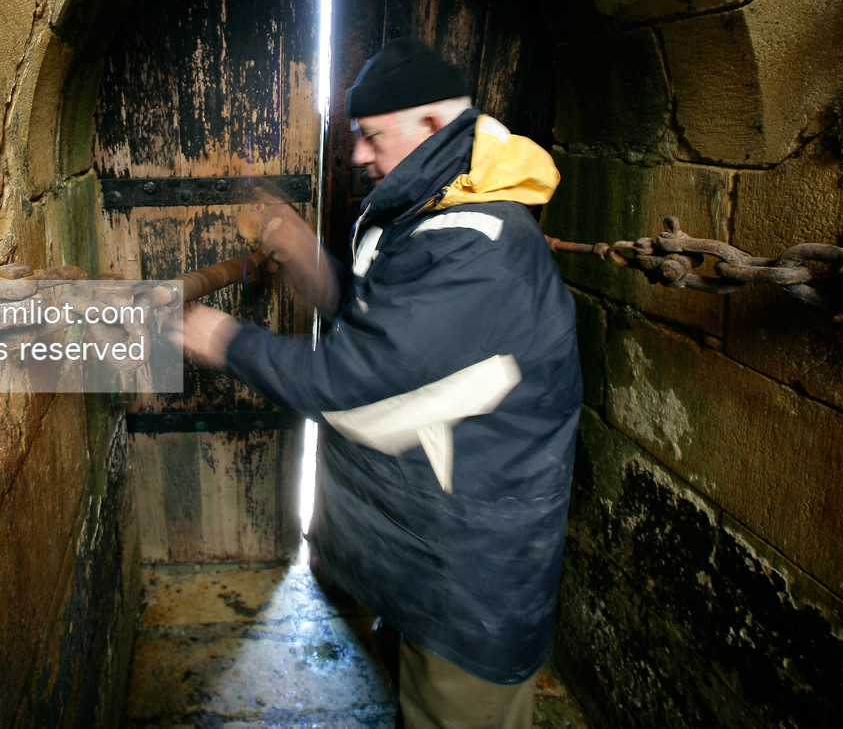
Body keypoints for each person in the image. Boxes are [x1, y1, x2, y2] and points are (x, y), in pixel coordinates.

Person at [177, 37, 583, 729]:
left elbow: (352, 377)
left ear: (430, 125)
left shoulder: (481, 245)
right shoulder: (438, 201)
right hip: (432, 534)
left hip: (473, 564)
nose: (359, 155)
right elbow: (396, 331)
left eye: (370, 138)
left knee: (455, 710)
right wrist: (310, 260)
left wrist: (221, 338)